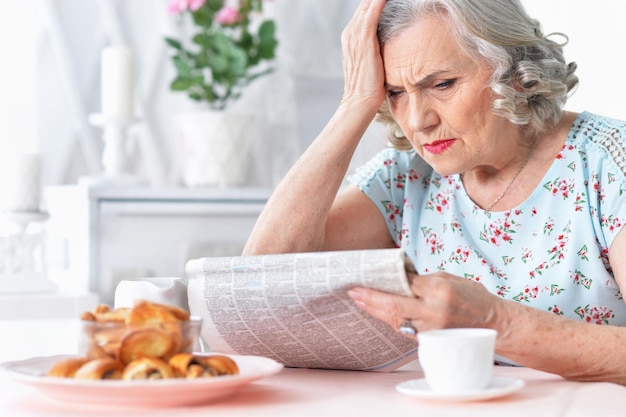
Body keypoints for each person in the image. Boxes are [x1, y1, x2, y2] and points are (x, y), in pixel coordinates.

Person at [243, 0, 626, 385]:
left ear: (514, 70)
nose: (417, 121)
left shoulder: (609, 161)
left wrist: (496, 321)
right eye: (395, 93)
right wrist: (354, 103)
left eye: (442, 84)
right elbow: (263, 274)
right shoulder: (407, 175)